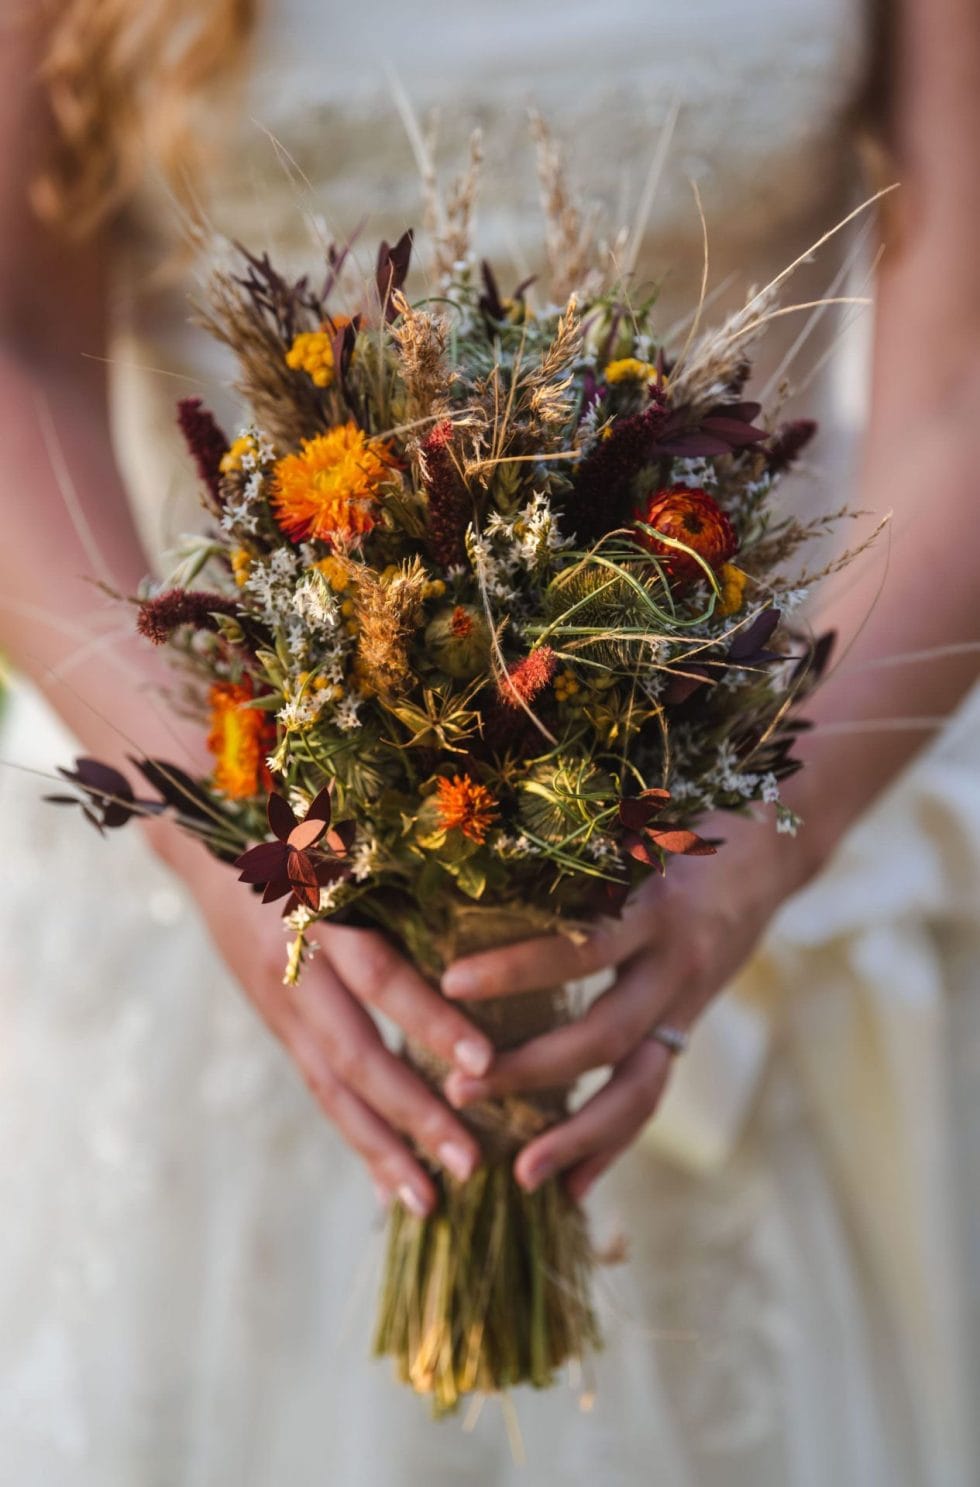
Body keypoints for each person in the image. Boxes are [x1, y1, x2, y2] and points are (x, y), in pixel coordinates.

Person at [1, 0, 978, 1482]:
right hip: (222, 882)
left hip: (772, 831)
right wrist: (223, 845)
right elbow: (15, 335)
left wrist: (751, 857)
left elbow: (961, 383)